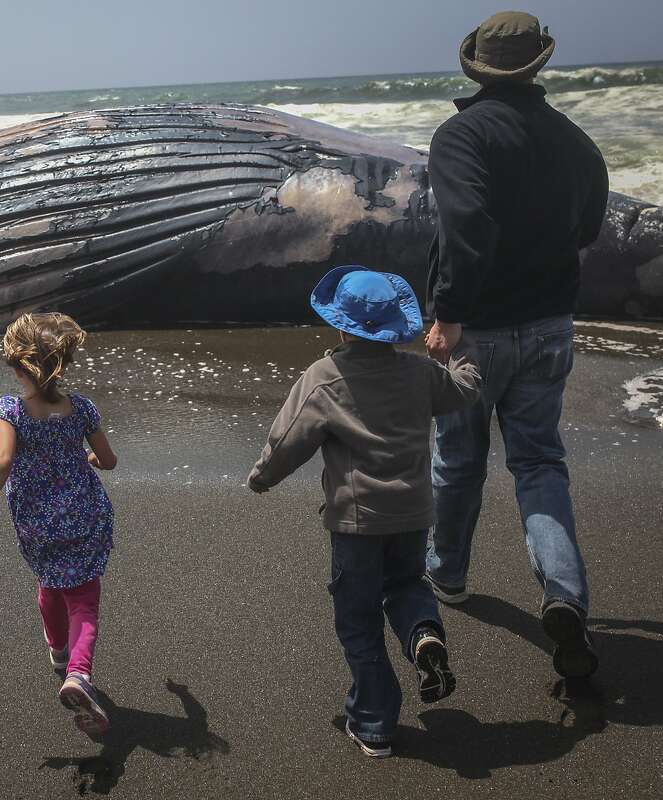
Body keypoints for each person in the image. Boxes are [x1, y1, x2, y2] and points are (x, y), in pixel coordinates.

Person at [423, 11, 609, 680]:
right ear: (538, 65)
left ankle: (445, 575)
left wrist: (448, 313)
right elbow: (589, 225)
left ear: (477, 67)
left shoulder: (461, 135)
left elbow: (466, 225)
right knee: (538, 464)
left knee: (457, 461)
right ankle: (564, 594)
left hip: (482, 330)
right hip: (552, 324)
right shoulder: (575, 139)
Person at [247, 266, 481, 758]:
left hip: (357, 523)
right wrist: (462, 352)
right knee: (407, 586)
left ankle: (374, 722)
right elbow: (463, 390)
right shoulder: (420, 372)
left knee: (358, 620)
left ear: (340, 325)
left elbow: (288, 441)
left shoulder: (325, 378)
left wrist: (262, 478)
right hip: (414, 513)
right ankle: (423, 638)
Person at [0, 312, 118, 738]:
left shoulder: (9, 410)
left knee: (50, 582)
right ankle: (79, 674)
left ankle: (57, 651)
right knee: (84, 597)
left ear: (16, 366)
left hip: (37, 523)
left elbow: (3, 460)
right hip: (86, 515)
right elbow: (108, 460)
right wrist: (85, 459)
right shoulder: (82, 407)